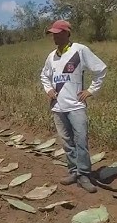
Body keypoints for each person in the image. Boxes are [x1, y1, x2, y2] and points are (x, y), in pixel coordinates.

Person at [40, 19, 107, 193]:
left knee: (81, 141)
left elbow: (100, 70)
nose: (54, 37)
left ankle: (84, 174)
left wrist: (91, 90)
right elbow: (44, 77)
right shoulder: (51, 56)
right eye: (52, 34)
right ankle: (73, 171)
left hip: (76, 106)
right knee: (67, 142)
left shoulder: (80, 50)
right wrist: (48, 90)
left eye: (57, 33)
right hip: (57, 107)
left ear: (66, 33)